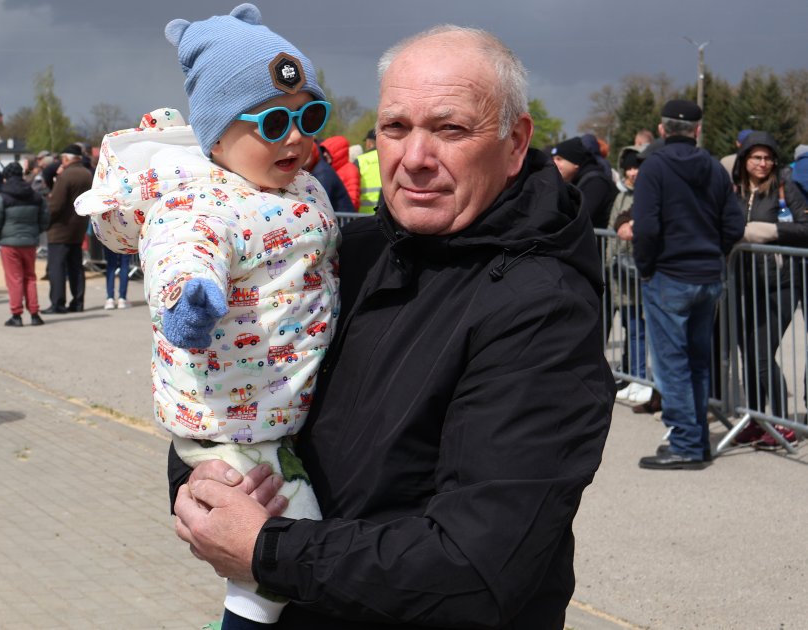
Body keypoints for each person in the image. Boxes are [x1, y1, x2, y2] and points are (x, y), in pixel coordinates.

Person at [171, 25, 614, 627]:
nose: (415, 158)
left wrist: (265, 550)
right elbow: (225, 388)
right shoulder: (343, 254)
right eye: (396, 127)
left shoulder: (543, 311)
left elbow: (477, 568)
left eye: (450, 129)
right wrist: (202, 482)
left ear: (514, 144)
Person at [79, 6, 339, 626]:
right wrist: (189, 296)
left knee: (285, 550)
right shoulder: (202, 199)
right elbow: (182, 248)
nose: (295, 138)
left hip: (275, 409)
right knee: (282, 547)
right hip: (228, 421)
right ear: (216, 137)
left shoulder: (304, 188)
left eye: (308, 116)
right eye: (272, 122)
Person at [632, 100, 746, 469]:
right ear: (697, 130)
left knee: (673, 365)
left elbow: (645, 227)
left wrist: (645, 267)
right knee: (697, 362)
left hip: (669, 275)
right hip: (706, 275)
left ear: (662, 129)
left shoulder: (654, 167)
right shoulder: (714, 168)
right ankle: (695, 440)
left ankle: (685, 443)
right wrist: (713, 253)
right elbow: (734, 224)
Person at [727, 131, 808, 448]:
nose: (763, 163)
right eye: (756, 157)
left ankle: (782, 423)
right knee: (748, 355)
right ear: (744, 160)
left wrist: (770, 231)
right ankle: (755, 419)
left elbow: (805, 228)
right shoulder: (735, 191)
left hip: (780, 286)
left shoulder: (787, 188)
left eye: (768, 158)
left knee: (761, 353)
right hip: (744, 284)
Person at [610, 145, 654, 405]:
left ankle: (642, 378)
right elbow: (612, 228)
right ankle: (633, 376)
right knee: (631, 330)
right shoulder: (621, 196)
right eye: (629, 168)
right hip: (622, 275)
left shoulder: (647, 194)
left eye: (637, 167)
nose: (633, 172)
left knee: (641, 330)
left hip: (641, 273)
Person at [0, 161, 47, 327]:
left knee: (14, 279)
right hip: (29, 242)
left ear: (5, 178)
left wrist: (0, 236)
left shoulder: (2, 197)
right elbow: (45, 218)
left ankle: (16, 315)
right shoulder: (35, 195)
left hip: (9, 243)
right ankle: (35, 314)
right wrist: (35, 232)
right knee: (30, 277)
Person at [43, 144, 91, 314]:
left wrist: (45, 221)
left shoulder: (66, 176)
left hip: (60, 228)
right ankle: (78, 302)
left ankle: (58, 303)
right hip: (79, 226)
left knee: (57, 267)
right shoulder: (87, 174)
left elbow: (56, 205)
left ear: (66, 159)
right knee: (76, 267)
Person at [551, 136, 617, 229]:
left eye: (559, 159)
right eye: (553, 159)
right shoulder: (577, 180)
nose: (553, 163)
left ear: (575, 162)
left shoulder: (597, 182)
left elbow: (580, 216)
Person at [319, 135, 359, 209]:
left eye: (328, 151)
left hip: (343, 214)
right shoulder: (331, 170)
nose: (324, 154)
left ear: (338, 153)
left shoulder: (350, 170)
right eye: (324, 151)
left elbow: (353, 200)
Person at [353, 128, 380, 213]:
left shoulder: (360, 160)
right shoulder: (388, 158)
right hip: (385, 212)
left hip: (364, 213)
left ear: (369, 143)